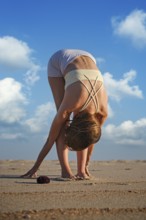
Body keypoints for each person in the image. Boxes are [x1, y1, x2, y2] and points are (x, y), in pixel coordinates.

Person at [21, 49, 108, 180]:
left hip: (89, 58)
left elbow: (91, 139)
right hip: (58, 60)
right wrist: (36, 166)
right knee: (62, 123)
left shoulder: (102, 112)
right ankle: (65, 171)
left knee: (86, 134)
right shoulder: (70, 107)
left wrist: (86, 166)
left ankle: (81, 171)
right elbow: (51, 139)